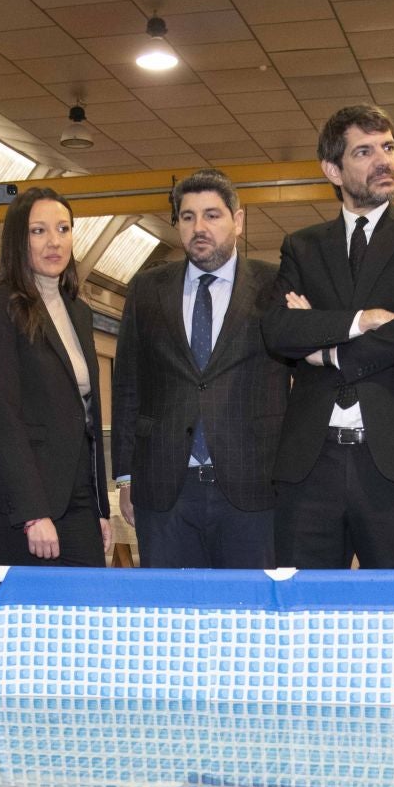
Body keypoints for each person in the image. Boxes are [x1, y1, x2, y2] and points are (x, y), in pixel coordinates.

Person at [260, 104, 394, 569]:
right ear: (332, 169)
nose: (383, 160)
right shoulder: (302, 246)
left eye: (389, 148)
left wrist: (327, 350)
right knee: (304, 614)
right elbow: (279, 330)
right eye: (365, 151)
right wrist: (361, 320)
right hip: (311, 466)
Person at [111, 169, 288, 569]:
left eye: (212, 215)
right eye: (187, 217)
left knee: (249, 617)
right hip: (165, 490)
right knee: (172, 619)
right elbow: (127, 387)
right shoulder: (146, 289)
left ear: (238, 221)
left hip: (252, 487)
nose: (199, 227)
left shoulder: (275, 286)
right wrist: (125, 478)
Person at [0, 187, 110, 567]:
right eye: (39, 231)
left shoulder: (77, 310)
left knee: (88, 616)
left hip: (76, 494)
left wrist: (100, 507)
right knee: (30, 624)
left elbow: (87, 417)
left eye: (63, 229)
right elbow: (1, 414)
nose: (54, 242)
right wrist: (33, 512)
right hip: (21, 504)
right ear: (18, 239)